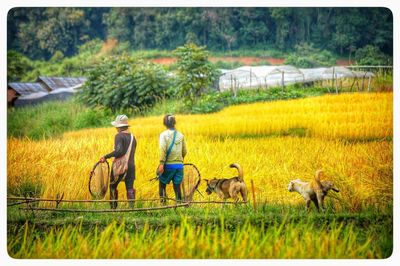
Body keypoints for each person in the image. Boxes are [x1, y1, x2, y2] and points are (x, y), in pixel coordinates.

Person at [100, 115, 137, 209]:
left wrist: (106, 156)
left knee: (112, 186)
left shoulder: (119, 136)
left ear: (119, 127)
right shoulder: (133, 137)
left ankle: (113, 209)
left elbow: (119, 151)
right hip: (131, 166)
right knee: (130, 188)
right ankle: (132, 209)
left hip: (119, 166)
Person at [157, 114, 187, 203]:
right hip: (179, 166)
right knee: (177, 187)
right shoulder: (181, 135)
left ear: (165, 123)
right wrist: (179, 160)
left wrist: (162, 163)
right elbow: (184, 151)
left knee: (162, 185)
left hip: (168, 166)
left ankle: (164, 205)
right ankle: (179, 205)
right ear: (174, 123)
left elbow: (163, 150)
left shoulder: (163, 135)